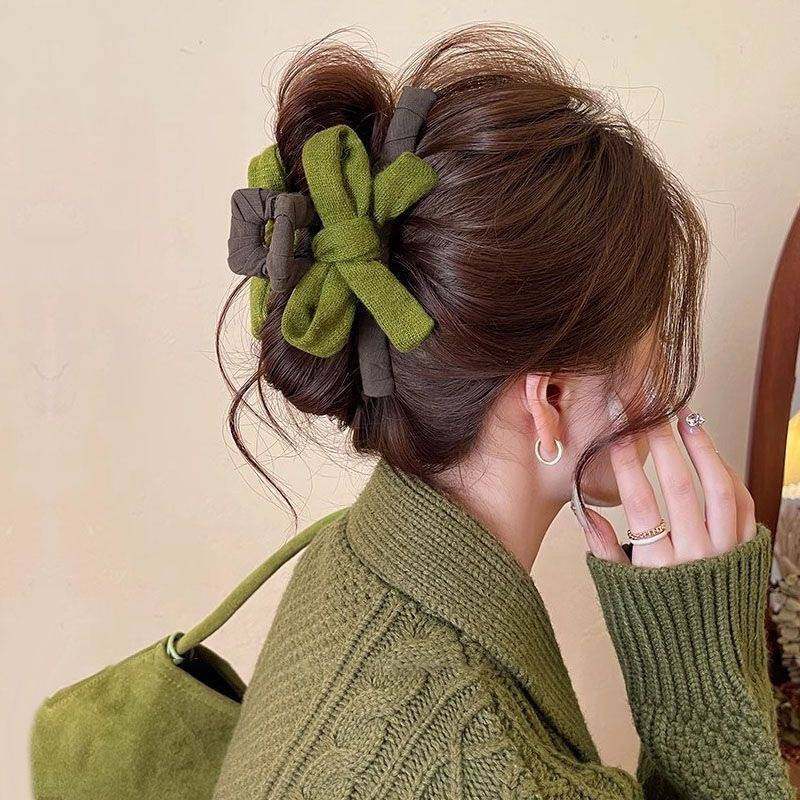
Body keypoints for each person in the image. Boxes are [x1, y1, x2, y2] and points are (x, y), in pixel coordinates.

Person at [214, 24, 794, 800]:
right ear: (548, 402)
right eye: (655, 337)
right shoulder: (492, 769)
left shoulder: (348, 566)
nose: (670, 381)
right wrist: (707, 692)